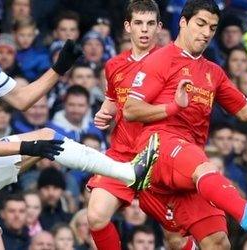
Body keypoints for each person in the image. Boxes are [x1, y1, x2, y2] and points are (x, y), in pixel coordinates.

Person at [0, 8, 158, 249]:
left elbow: (21, 99)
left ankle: (125, 172)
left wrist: (59, 68)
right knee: (46, 136)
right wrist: (27, 147)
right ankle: (128, 173)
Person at [123, 0, 247, 248]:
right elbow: (131, 109)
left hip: (188, 166)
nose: (206, 32)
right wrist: (172, 107)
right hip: (158, 148)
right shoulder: (160, 59)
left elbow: (246, 110)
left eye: (212, 27)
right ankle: (244, 208)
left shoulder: (213, 72)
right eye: (201, 24)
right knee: (204, 167)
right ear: (183, 23)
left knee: (218, 242)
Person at [86, 1, 163, 250]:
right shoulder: (114, 65)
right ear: (127, 26)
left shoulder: (169, 62)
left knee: (176, 238)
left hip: (158, 156)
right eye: (139, 23)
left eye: (150, 24)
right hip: (121, 154)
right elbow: (112, 101)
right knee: (96, 217)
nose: (144, 30)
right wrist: (104, 113)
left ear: (159, 27)